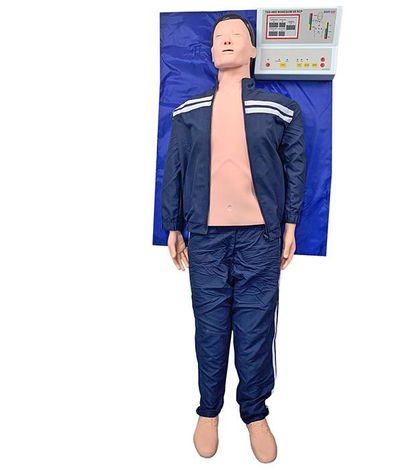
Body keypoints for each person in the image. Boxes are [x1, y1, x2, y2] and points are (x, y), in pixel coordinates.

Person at [161, 13, 306, 463]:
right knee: (209, 328)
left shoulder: (279, 109)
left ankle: (255, 413)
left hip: (260, 238)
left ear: (253, 50)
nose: (226, 41)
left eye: (236, 35)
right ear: (209, 52)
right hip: (205, 238)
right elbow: (174, 169)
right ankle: (208, 411)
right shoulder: (188, 111)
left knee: (255, 327)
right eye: (219, 37)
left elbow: (296, 168)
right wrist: (172, 225)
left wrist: (290, 224)